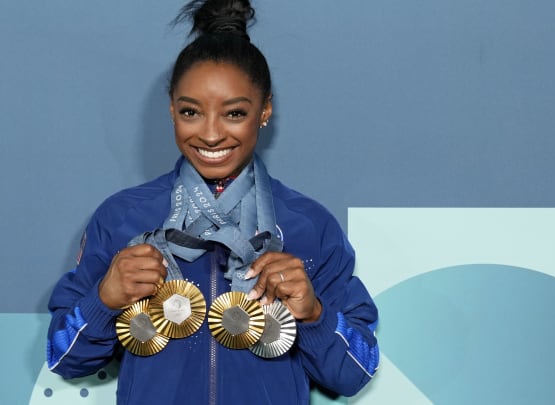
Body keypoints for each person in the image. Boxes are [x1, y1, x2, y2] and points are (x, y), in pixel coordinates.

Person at [46, 1, 379, 403]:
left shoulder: (308, 225)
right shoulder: (123, 218)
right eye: (191, 112)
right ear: (172, 109)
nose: (210, 134)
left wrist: (314, 315)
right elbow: (63, 356)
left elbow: (355, 372)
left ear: (265, 110)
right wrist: (103, 300)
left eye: (234, 113)